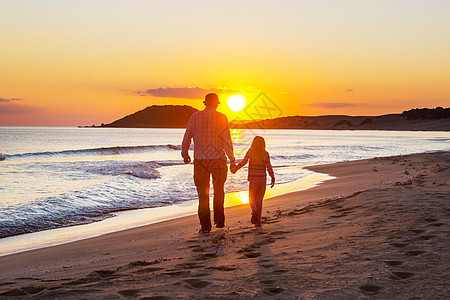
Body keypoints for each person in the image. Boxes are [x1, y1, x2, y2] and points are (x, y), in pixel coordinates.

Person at [182, 93, 236, 233]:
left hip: (200, 161)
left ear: (205, 103)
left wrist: (185, 154)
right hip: (218, 160)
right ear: (217, 103)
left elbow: (187, 137)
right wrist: (232, 160)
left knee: (203, 194)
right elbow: (226, 141)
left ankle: (205, 226)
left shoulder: (195, 117)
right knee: (219, 191)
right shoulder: (222, 117)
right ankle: (219, 222)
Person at [232, 136, 275, 227]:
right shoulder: (265, 154)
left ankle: (254, 209)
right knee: (259, 200)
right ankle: (258, 222)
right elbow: (269, 167)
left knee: (251, 198)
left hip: (253, 179)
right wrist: (272, 177)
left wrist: (236, 168)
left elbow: (244, 162)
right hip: (262, 180)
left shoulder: (251, 152)